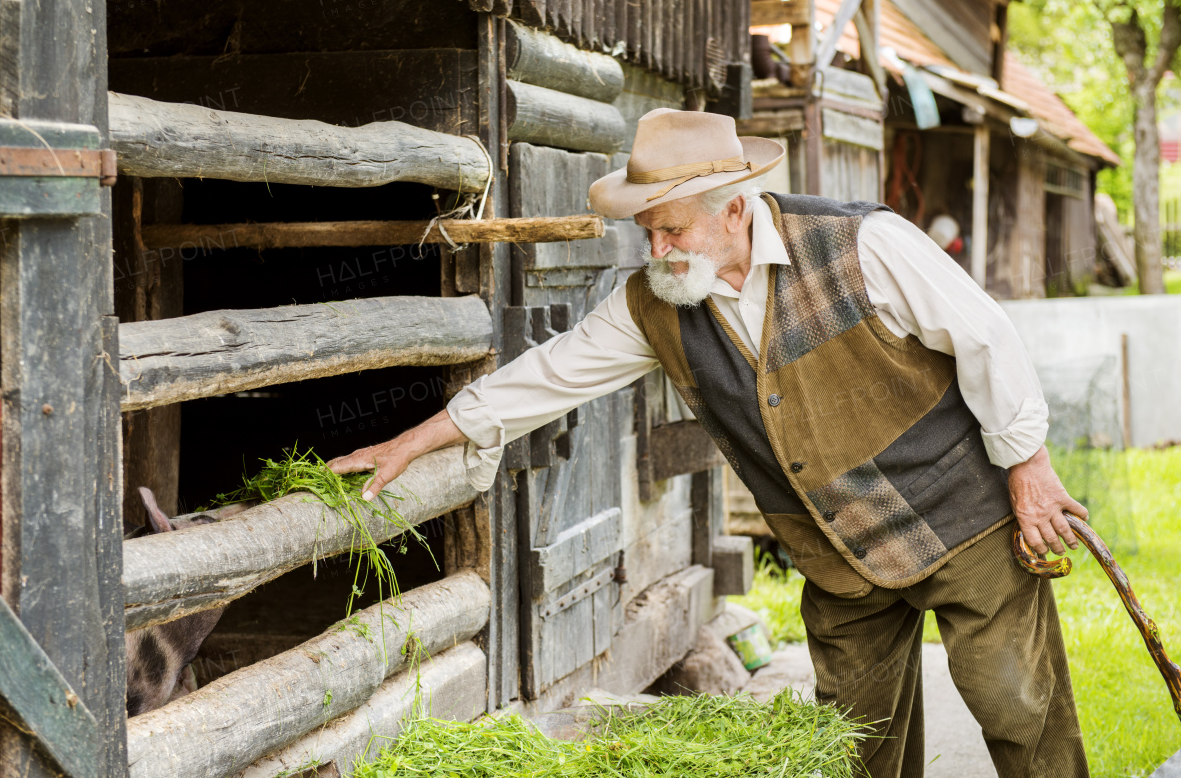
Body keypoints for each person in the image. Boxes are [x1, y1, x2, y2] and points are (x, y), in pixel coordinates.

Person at [329, 108, 1089, 777]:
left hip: (960, 516)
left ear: (736, 210)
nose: (657, 249)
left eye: (673, 228)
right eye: (647, 232)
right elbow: (546, 376)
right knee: (854, 741)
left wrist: (1028, 468)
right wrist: (414, 440)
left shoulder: (863, 243)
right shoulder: (655, 304)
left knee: (1015, 705)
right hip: (837, 556)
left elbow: (986, 337)